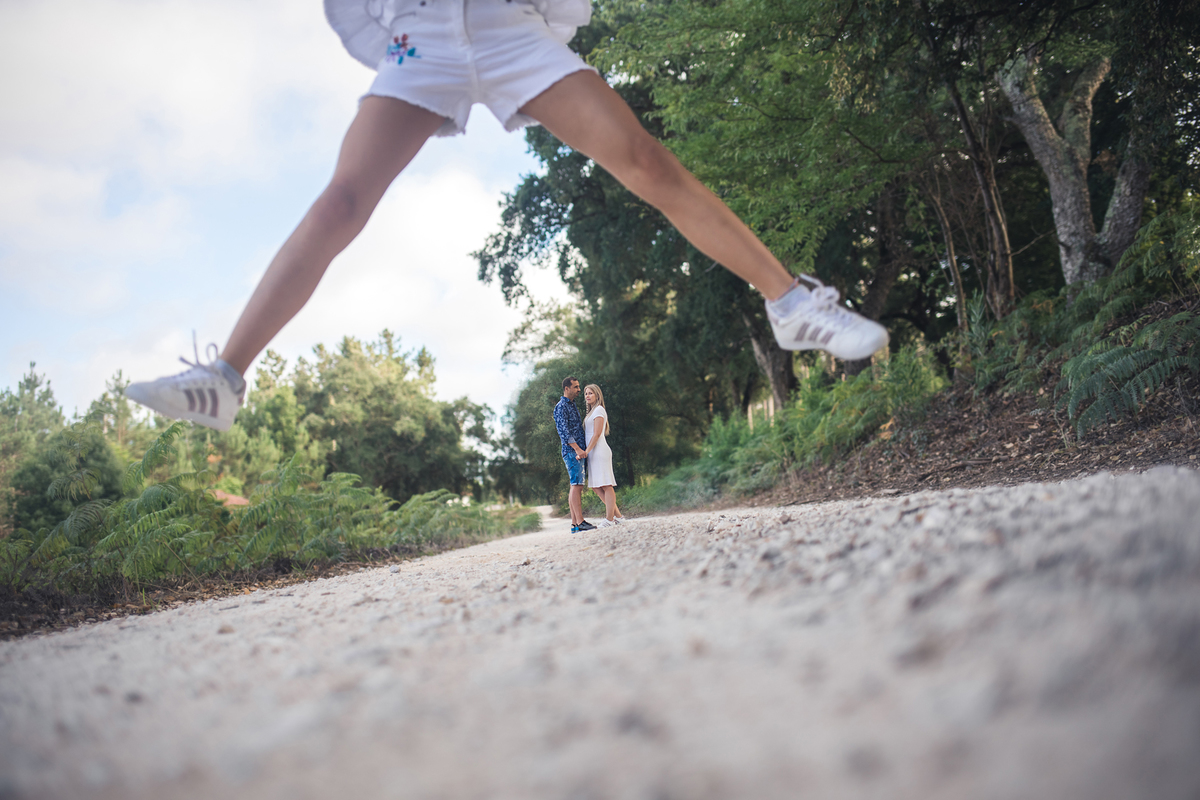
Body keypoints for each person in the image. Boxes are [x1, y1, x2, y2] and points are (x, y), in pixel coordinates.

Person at [123, 0, 889, 431]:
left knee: (645, 159)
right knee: (343, 198)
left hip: (508, 24)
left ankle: (791, 303)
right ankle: (224, 379)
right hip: (419, 33)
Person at [553, 376, 595, 533]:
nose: (579, 390)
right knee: (577, 485)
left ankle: (574, 524)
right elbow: (564, 432)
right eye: (576, 387)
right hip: (572, 452)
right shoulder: (561, 407)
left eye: (579, 387)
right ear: (566, 388)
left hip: (576, 450)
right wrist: (577, 449)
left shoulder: (572, 405)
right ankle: (580, 521)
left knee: (575, 484)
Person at [580, 383, 622, 526]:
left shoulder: (599, 409)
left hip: (599, 451)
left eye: (590, 393)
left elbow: (597, 434)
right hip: (593, 453)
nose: (587, 396)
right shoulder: (591, 412)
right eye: (586, 393)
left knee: (606, 484)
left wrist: (586, 451)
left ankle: (610, 519)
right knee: (596, 487)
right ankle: (619, 517)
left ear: (597, 395)